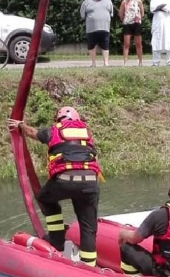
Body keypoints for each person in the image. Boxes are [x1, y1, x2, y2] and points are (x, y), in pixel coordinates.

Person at [6, 106, 102, 267]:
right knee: (88, 228)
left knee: (45, 198)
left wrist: (20, 125)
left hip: (65, 180)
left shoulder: (54, 130)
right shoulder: (87, 133)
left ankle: (57, 240)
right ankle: (89, 267)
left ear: (59, 120)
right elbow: (94, 160)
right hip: (90, 184)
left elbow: (32, 133)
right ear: (77, 120)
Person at [79, 0, 114, 67]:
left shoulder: (108, 0)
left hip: (105, 28)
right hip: (91, 29)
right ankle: (93, 63)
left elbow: (111, 13)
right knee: (91, 46)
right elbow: (82, 14)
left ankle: (106, 63)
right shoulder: (87, 0)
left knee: (105, 46)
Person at [149, 0, 170, 67]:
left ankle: (169, 62)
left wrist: (158, 7)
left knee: (168, 41)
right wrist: (160, 7)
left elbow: (168, 8)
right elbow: (152, 9)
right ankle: (156, 62)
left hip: (167, 22)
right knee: (156, 41)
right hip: (157, 22)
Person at [118, 0, 145, 66]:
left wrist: (138, 18)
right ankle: (125, 62)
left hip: (136, 23)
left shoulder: (138, 1)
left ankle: (140, 61)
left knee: (138, 43)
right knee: (126, 44)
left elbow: (142, 12)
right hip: (127, 24)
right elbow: (121, 14)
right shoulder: (124, 2)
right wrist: (125, 20)